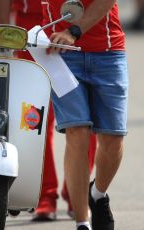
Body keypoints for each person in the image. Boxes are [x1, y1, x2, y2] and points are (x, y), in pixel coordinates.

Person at [0, 0, 97, 221]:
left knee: (87, 122)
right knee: (35, 121)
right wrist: (3, 38)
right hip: (30, 31)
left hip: (76, 26)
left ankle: (75, 192)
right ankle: (45, 195)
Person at [42, 0, 128, 229]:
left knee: (113, 139)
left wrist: (74, 29)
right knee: (77, 131)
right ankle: (82, 222)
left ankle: (97, 194)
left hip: (108, 52)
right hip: (60, 52)